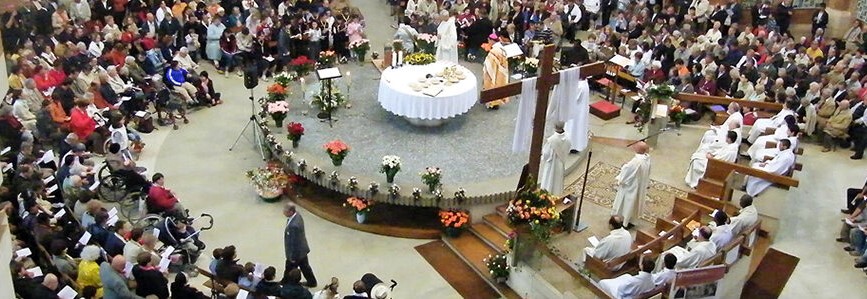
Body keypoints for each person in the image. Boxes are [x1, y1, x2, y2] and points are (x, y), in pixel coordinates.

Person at [611, 141, 652, 228]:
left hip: (632, 188)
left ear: (638, 149)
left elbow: (627, 172)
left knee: (627, 204)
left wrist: (623, 167)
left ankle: (623, 221)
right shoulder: (647, 158)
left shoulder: (636, 161)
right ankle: (631, 220)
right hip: (640, 185)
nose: (634, 147)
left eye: (635, 146)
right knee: (634, 204)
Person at [283, 202, 317, 287]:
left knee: (289, 267)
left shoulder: (294, 226)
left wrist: (292, 257)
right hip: (302, 250)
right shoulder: (297, 215)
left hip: (296, 253)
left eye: (285, 211)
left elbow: (294, 242)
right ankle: (312, 282)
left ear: (291, 212)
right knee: (305, 267)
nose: (283, 212)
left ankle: (285, 281)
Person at [539, 122, 571, 196]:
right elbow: (568, 150)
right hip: (560, 163)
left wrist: (543, 156)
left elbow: (546, 154)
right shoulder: (568, 138)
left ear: (555, 127)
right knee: (557, 182)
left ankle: (546, 197)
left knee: (549, 181)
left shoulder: (552, 140)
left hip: (551, 164)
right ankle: (556, 197)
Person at [482, 33, 510, 109]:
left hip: (494, 71)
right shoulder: (501, 48)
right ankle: (497, 101)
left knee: (492, 84)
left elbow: (489, 65)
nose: (488, 42)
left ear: (492, 40)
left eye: (489, 40)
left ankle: (492, 103)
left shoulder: (494, 51)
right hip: (502, 71)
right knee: (500, 85)